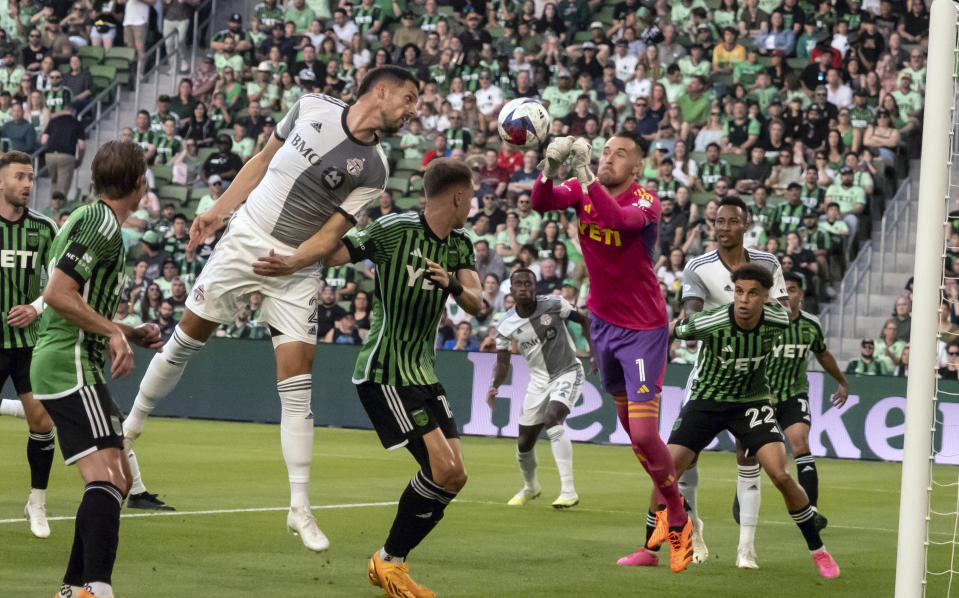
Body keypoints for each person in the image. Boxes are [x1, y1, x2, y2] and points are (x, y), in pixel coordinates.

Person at [119, 66, 420, 551]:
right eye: (408, 99)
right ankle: (128, 433)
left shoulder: (376, 169)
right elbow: (261, 162)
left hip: (296, 268)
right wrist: (217, 210)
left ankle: (299, 506)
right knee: (183, 344)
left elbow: (334, 232)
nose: (413, 110)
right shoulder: (311, 106)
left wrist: (295, 261)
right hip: (245, 240)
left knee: (298, 385)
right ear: (380, 91)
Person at [530, 131, 693, 572]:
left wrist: (585, 176)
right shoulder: (584, 192)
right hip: (602, 326)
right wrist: (548, 166)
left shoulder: (646, 201)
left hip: (642, 329)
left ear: (637, 167)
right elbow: (540, 203)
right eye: (604, 152)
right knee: (634, 436)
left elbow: (618, 222)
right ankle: (659, 536)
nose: (608, 158)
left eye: (620, 154)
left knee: (643, 436)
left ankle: (679, 519)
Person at [320, 158, 481, 598]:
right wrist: (335, 213)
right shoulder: (394, 229)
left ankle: (393, 562)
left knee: (457, 476)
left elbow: (478, 303)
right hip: (386, 371)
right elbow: (334, 253)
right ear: (458, 196)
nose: (475, 203)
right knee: (441, 467)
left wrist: (450, 283)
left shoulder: (461, 244)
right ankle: (389, 562)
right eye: (473, 195)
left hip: (424, 372)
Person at [32, 140, 165, 598]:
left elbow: (75, 299)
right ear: (139, 183)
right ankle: (94, 589)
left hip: (75, 359)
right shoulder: (99, 222)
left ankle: (75, 588)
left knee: (120, 479)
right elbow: (57, 294)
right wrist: (113, 332)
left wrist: (125, 330)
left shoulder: (97, 221)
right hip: (68, 359)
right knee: (107, 478)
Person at [669, 264, 840, 579]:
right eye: (739, 292)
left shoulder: (777, 319)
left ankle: (818, 551)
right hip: (707, 399)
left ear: (766, 297)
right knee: (668, 471)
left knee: (781, 475)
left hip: (750, 402)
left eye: (752, 293)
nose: (744, 300)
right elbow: (675, 329)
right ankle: (688, 531)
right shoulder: (713, 321)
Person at [674, 196, 789, 568]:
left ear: (746, 224)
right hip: (708, 376)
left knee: (749, 453)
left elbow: (783, 312)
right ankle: (694, 530)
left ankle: (746, 549)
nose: (724, 227)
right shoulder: (698, 266)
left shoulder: (768, 263)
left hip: (752, 374)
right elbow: (689, 317)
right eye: (718, 221)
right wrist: (701, 323)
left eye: (731, 221)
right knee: (685, 458)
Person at [487, 267, 593, 508]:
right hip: (538, 381)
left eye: (528, 283)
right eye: (519, 284)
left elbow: (585, 321)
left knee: (553, 418)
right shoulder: (505, 325)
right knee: (524, 443)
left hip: (568, 370)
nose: (524, 287)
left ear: (535, 287)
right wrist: (494, 386)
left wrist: (594, 354)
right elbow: (502, 362)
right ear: (511, 290)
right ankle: (531, 487)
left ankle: (568, 491)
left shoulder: (554, 303)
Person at [0, 151, 59, 539]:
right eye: (20, 176)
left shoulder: (44, 228)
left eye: (31, 177)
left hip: (27, 342)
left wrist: (36, 308)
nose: (27, 184)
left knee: (41, 420)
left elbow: (59, 281)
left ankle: (37, 502)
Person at [766, 272, 849, 533]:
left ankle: (810, 511)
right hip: (761, 397)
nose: (786, 295)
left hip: (794, 394)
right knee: (750, 454)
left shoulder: (811, 325)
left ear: (800, 294)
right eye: (782, 290)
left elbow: (823, 354)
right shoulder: (765, 321)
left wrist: (842, 381)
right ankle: (743, 497)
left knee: (801, 443)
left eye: (791, 290)